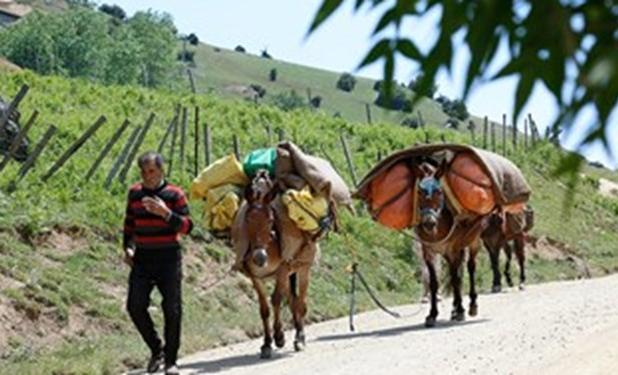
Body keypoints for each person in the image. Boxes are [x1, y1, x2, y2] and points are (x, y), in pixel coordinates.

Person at [123, 151, 193, 375]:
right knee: (134, 306)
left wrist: (165, 213)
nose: (147, 176)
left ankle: (171, 361)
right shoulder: (135, 194)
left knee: (172, 309)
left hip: (168, 258)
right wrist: (128, 247)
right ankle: (157, 349)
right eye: (143, 172)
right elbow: (129, 225)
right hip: (143, 258)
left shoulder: (175, 194)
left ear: (161, 170)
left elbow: (187, 227)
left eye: (152, 171)